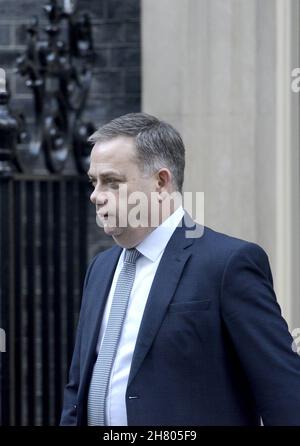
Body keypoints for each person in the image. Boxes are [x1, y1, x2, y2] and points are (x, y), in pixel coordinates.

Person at [60, 112, 300, 426]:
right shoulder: (100, 269)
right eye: (94, 182)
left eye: (111, 182)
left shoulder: (228, 264)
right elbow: (78, 389)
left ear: (161, 182)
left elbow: (282, 393)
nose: (95, 195)